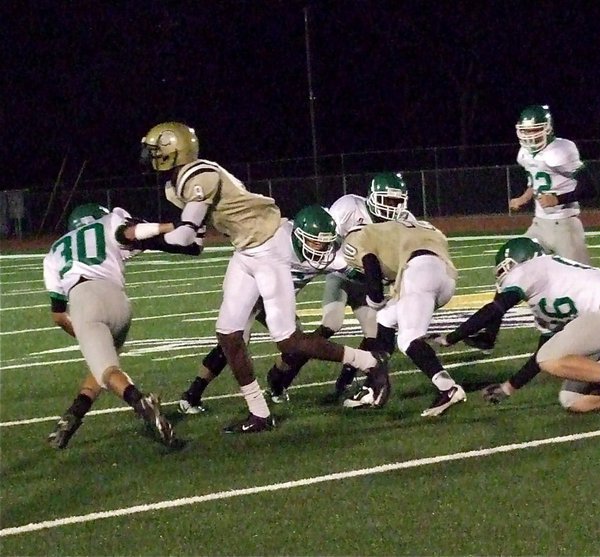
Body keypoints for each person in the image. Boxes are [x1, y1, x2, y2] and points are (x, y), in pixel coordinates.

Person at [140, 122, 387, 433]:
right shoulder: (175, 186)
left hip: (270, 245)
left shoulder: (199, 174)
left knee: (289, 341)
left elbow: (186, 233)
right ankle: (259, 412)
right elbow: (194, 244)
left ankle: (370, 362)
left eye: (155, 149)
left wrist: (141, 235)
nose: (151, 156)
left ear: (174, 149)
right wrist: (151, 236)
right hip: (246, 250)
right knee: (229, 335)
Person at [428, 237, 600, 415]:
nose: (503, 278)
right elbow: (542, 354)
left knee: (550, 358)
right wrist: (509, 387)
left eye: (504, 270)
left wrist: (452, 337)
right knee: (572, 401)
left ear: (519, 261)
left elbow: (496, 309)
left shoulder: (531, 268)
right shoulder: (549, 287)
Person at [43, 203, 200, 449]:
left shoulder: (54, 252)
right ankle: (71, 417)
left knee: (107, 371)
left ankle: (141, 403)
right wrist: (174, 225)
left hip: (85, 300)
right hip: (119, 303)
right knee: (105, 366)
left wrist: (83, 334)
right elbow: (132, 235)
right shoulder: (108, 222)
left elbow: (58, 315)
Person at [177, 204, 352, 413]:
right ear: (298, 236)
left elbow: (357, 268)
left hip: (276, 302)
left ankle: (276, 382)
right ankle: (193, 393)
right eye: (315, 242)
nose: (320, 249)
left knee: (295, 342)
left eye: (325, 244)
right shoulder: (275, 239)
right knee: (234, 342)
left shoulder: (333, 255)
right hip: (251, 295)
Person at [266, 172, 414, 403]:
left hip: (368, 285)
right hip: (342, 276)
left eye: (397, 201)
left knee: (377, 333)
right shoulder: (349, 207)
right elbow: (324, 243)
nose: (392, 207)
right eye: (388, 200)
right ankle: (282, 375)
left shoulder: (404, 221)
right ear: (373, 196)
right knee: (331, 324)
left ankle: (349, 378)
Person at [469, 104, 594, 353]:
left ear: (548, 129)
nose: (530, 136)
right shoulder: (524, 153)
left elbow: (590, 188)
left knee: (587, 285)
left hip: (565, 225)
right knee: (510, 270)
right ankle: (488, 334)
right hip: (539, 224)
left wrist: (558, 199)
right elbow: (534, 180)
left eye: (536, 130)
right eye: (526, 132)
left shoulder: (562, 150)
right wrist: (524, 198)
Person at [341, 218, 464, 416]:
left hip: (419, 271)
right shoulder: (410, 225)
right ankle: (373, 386)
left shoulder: (359, 237)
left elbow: (371, 266)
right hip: (445, 276)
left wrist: (374, 300)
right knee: (385, 319)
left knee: (408, 339)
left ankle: (448, 388)